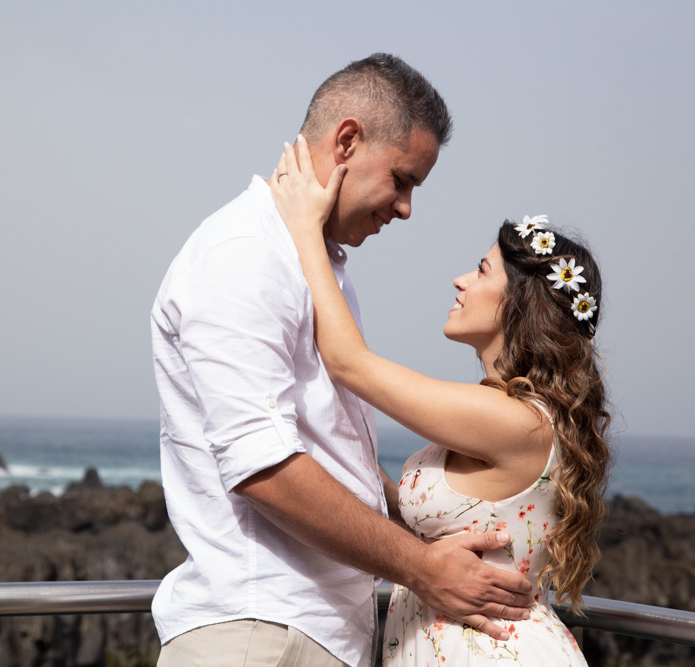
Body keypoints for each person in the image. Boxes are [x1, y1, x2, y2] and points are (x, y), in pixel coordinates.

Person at [150, 54, 534, 667]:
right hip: (260, 633)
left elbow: (335, 455)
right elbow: (263, 467)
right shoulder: (243, 256)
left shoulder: (315, 265)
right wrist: (420, 568)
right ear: (348, 140)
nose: (406, 208)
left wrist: (429, 535)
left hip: (310, 633)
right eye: (402, 180)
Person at [268, 136, 610, 665]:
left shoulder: (514, 420)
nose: (460, 280)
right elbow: (412, 513)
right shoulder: (499, 410)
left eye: (481, 270)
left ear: (520, 305)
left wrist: (305, 229)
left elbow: (348, 362)